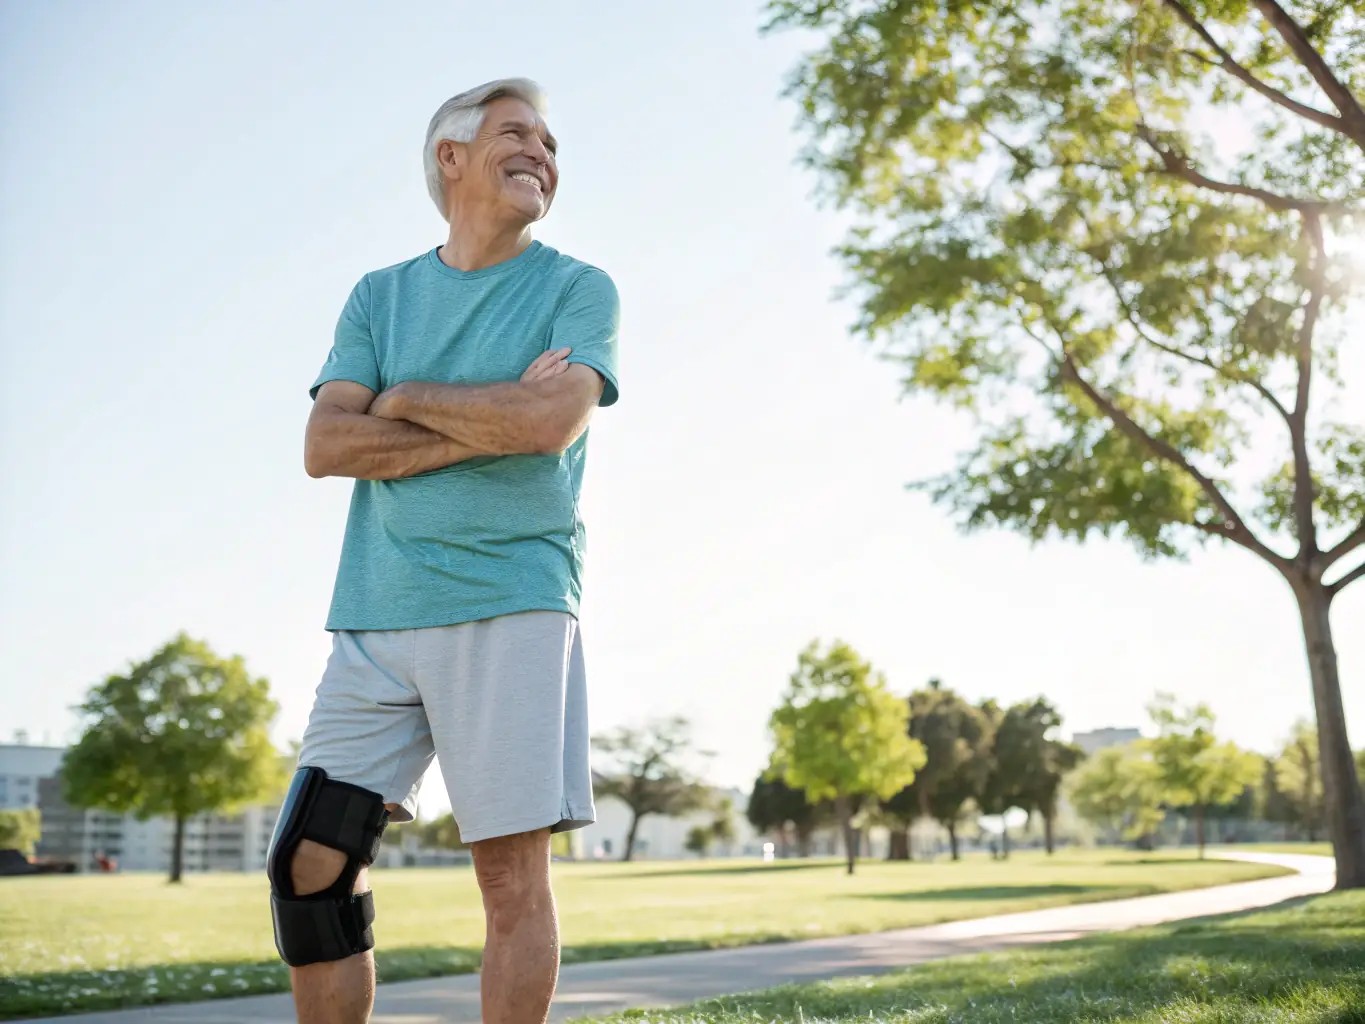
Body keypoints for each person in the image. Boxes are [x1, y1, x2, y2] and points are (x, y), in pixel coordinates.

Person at [265, 78, 620, 1024]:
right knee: (309, 864)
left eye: (550, 141)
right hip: (376, 612)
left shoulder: (576, 288)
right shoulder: (378, 297)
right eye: (517, 133)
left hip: (509, 601)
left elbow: (552, 420)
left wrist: (400, 396)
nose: (542, 152)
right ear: (450, 157)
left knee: (508, 882)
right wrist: (489, 414)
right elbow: (325, 446)